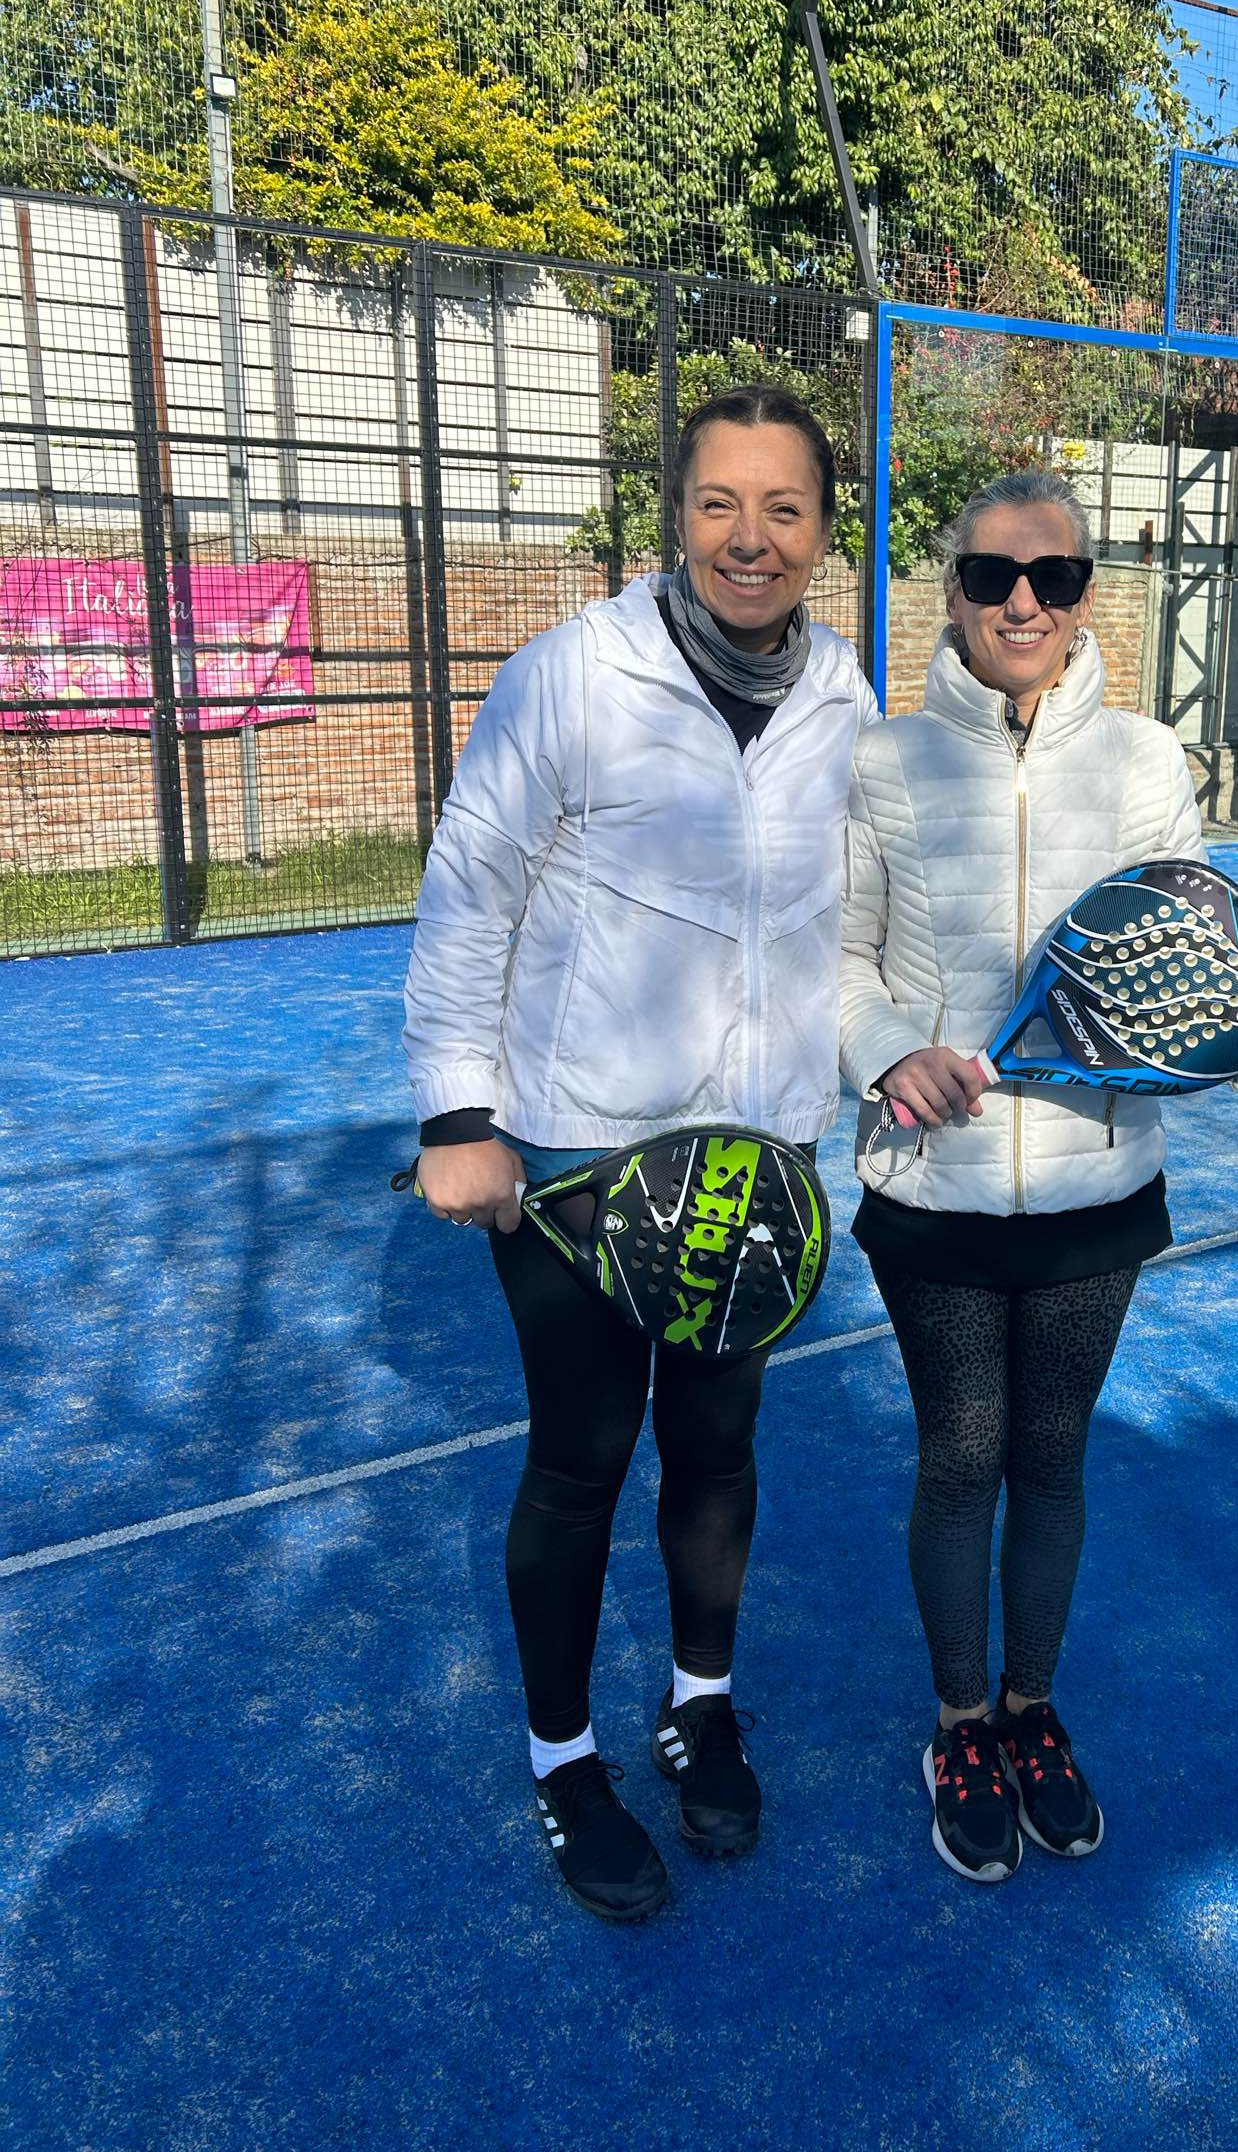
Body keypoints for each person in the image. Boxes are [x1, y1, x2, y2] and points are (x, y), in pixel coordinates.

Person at [402, 385, 877, 1922]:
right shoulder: (571, 676)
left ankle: (700, 1702)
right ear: (677, 513)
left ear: (823, 530)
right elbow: (470, 891)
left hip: (756, 1164)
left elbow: (848, 921)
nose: (751, 537)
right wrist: (457, 1117)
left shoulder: (843, 697)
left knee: (719, 1451)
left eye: (785, 508)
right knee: (580, 1464)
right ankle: (564, 1763)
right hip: (581, 1160)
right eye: (721, 502)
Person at [839, 471, 1238, 1884]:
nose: (1023, 603)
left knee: (1052, 1457)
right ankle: (959, 1725)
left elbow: (1188, 963)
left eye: (1053, 577)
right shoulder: (884, 760)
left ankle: (1031, 1711)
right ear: (953, 592)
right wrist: (889, 1053)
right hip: (934, 1186)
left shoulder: (1149, 762)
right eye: (992, 577)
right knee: (960, 1457)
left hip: (1098, 1194)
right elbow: (836, 961)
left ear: (1086, 589)